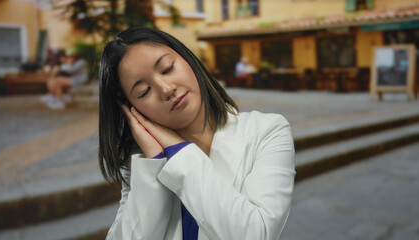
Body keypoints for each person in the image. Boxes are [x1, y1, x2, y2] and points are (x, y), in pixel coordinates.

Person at [98, 27, 295, 240]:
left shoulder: (267, 131)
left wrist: (178, 149)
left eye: (167, 68)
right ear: (133, 111)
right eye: (144, 91)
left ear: (188, 59)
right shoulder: (141, 161)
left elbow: (255, 234)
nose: (166, 89)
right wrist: (154, 162)